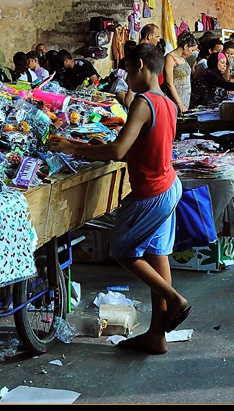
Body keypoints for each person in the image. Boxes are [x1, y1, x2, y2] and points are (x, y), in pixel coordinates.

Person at [48, 44, 189, 355]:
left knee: (123, 251)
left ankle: (175, 299)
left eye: (126, 69)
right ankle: (156, 336)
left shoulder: (142, 102)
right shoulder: (167, 102)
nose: (125, 77)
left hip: (151, 192)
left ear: (139, 65)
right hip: (168, 185)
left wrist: (72, 147)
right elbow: (144, 144)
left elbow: (117, 151)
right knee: (156, 254)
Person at [163, 31, 196, 112]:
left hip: (185, 99)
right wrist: (179, 103)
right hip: (175, 100)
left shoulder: (183, 58)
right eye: (192, 50)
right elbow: (169, 83)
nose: (192, 53)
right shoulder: (170, 58)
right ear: (185, 46)